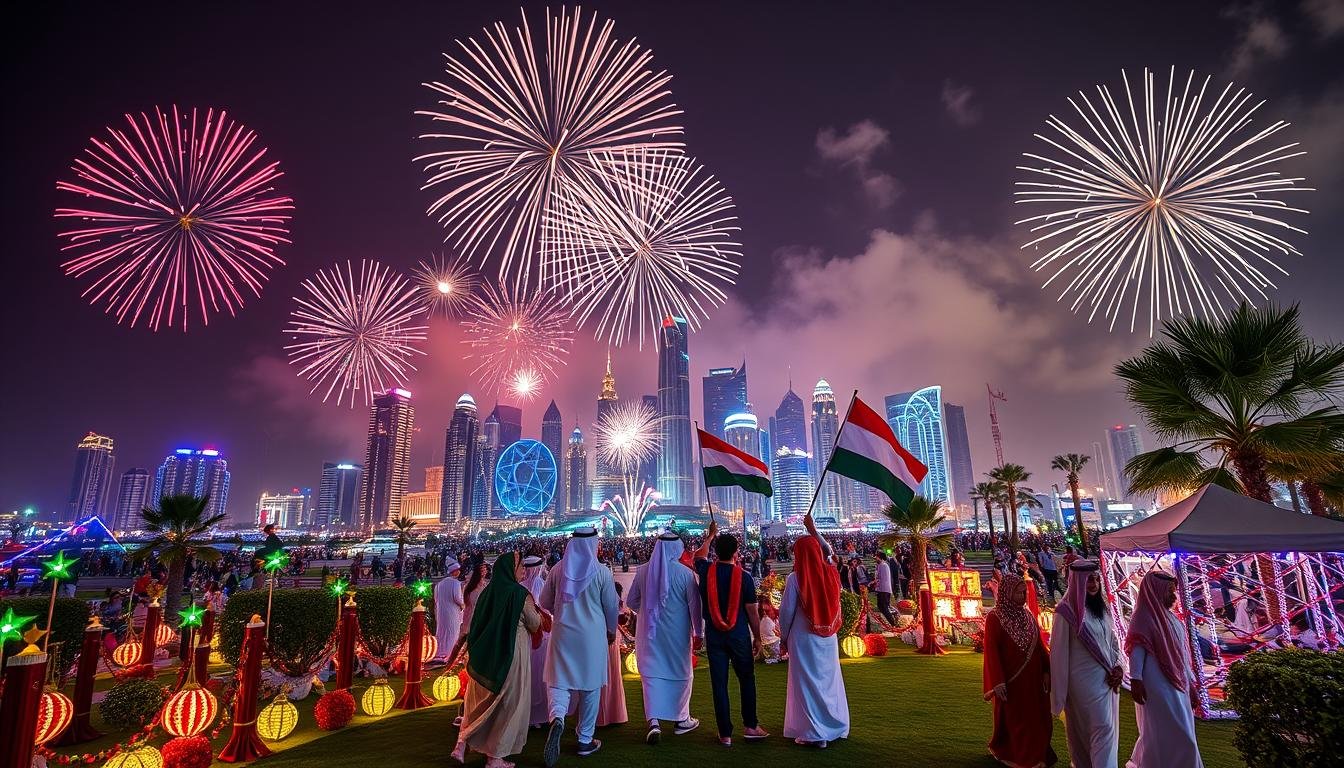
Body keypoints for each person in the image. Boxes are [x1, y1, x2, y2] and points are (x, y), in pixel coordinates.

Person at [451, 552, 543, 768]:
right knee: (508, 704)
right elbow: (534, 622)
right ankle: (495, 757)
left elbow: (475, 623)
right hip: (510, 655)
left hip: (484, 658)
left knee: (479, 702)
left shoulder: (486, 593)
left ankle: (461, 743)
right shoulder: (520, 595)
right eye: (520, 567)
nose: (523, 571)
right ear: (510, 570)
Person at [541, 528, 619, 765]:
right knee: (591, 686)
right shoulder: (602, 572)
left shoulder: (557, 570)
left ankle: (558, 718)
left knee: (559, 681)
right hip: (592, 637)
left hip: (563, 633)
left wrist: (562, 614)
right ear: (594, 544)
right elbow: (611, 607)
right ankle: (585, 740)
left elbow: (544, 602)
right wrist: (611, 631)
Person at [694, 520, 768, 747]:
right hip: (738, 635)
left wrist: (709, 536)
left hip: (714, 635)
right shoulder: (744, 577)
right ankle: (751, 726)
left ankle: (725, 733)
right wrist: (758, 637)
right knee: (746, 679)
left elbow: (698, 555)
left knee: (719, 683)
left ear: (716, 552)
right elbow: (752, 612)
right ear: (737, 552)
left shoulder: (707, 571)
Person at [626, 530, 703, 744]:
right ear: (677, 548)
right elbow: (695, 608)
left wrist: (650, 610)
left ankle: (653, 722)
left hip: (649, 635)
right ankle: (681, 720)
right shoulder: (685, 573)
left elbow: (631, 602)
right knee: (680, 674)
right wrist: (699, 632)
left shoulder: (642, 571)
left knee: (651, 677)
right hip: (677, 636)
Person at [779, 514, 849, 748]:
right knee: (828, 682)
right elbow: (828, 552)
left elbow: (786, 614)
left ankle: (815, 732)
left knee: (807, 684)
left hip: (803, 638)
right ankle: (833, 726)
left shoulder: (795, 579)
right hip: (828, 637)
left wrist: (784, 638)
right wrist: (814, 530)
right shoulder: (831, 573)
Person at [1125, 571, 1203, 768]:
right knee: (1165, 734)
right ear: (1157, 591)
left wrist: (1190, 684)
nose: (1173, 595)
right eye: (1169, 591)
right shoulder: (1143, 617)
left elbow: (1182, 655)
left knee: (1183, 733)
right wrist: (1136, 680)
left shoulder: (1170, 617)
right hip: (1156, 685)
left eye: (1173, 590)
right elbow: (1137, 652)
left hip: (1178, 682)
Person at [1049, 561, 1121, 768]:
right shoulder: (1065, 612)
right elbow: (1058, 655)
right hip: (1082, 685)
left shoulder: (1101, 609)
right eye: (1089, 579)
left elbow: (1113, 642)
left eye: (1097, 579)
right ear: (1077, 581)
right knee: (1101, 728)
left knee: (1106, 730)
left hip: (1107, 681)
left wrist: (1118, 667)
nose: (1094, 584)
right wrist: (1060, 694)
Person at [983, 573, 1056, 767]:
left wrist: (1047, 671)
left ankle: (1038, 754)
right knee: (1017, 721)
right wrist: (997, 681)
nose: (1023, 596)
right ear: (1007, 593)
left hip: (1033, 680)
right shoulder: (994, 617)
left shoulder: (1028, 615)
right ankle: (1020, 756)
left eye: (1024, 592)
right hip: (1011, 682)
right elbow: (991, 651)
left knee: (1038, 719)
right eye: (1019, 592)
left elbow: (1039, 646)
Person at [520, 555, 553, 728]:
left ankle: (529, 715)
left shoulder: (519, 586)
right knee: (543, 674)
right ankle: (544, 714)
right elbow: (546, 608)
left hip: (526, 635)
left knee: (528, 674)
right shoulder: (540, 584)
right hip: (542, 635)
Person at [595, 583, 628, 727]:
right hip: (610, 638)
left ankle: (601, 714)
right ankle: (614, 713)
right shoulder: (616, 604)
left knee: (603, 676)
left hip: (601, 638)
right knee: (612, 675)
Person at [434, 559, 465, 662]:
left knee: (442, 632)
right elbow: (457, 598)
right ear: (454, 571)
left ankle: (440, 652)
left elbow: (435, 599)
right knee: (453, 632)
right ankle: (450, 653)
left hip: (441, 612)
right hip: (452, 613)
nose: (459, 572)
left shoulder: (439, 584)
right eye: (458, 570)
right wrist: (463, 605)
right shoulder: (455, 583)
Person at [873, 551, 896, 625]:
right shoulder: (880, 565)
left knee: (884, 607)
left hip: (884, 589)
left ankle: (893, 622)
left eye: (876, 556)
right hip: (882, 589)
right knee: (882, 606)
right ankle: (893, 620)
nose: (875, 558)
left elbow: (882, 578)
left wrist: (874, 583)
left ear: (880, 557)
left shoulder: (883, 565)